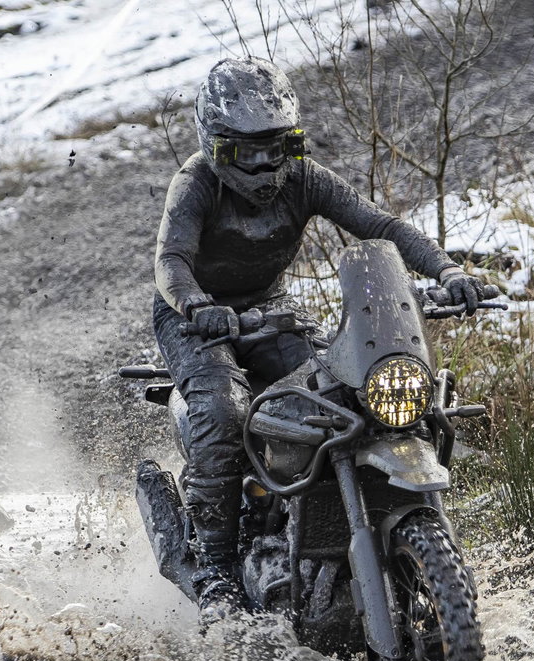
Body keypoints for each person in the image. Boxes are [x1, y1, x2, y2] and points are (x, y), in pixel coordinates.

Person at [152, 56, 483, 617]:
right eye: (244, 152)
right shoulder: (195, 185)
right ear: (214, 144)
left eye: (276, 147)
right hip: (194, 319)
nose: (262, 165)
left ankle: (313, 527)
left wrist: (447, 271)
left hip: (271, 313)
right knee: (223, 417)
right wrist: (197, 306)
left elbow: (381, 227)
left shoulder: (305, 179)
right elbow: (171, 262)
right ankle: (215, 570)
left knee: (338, 402)